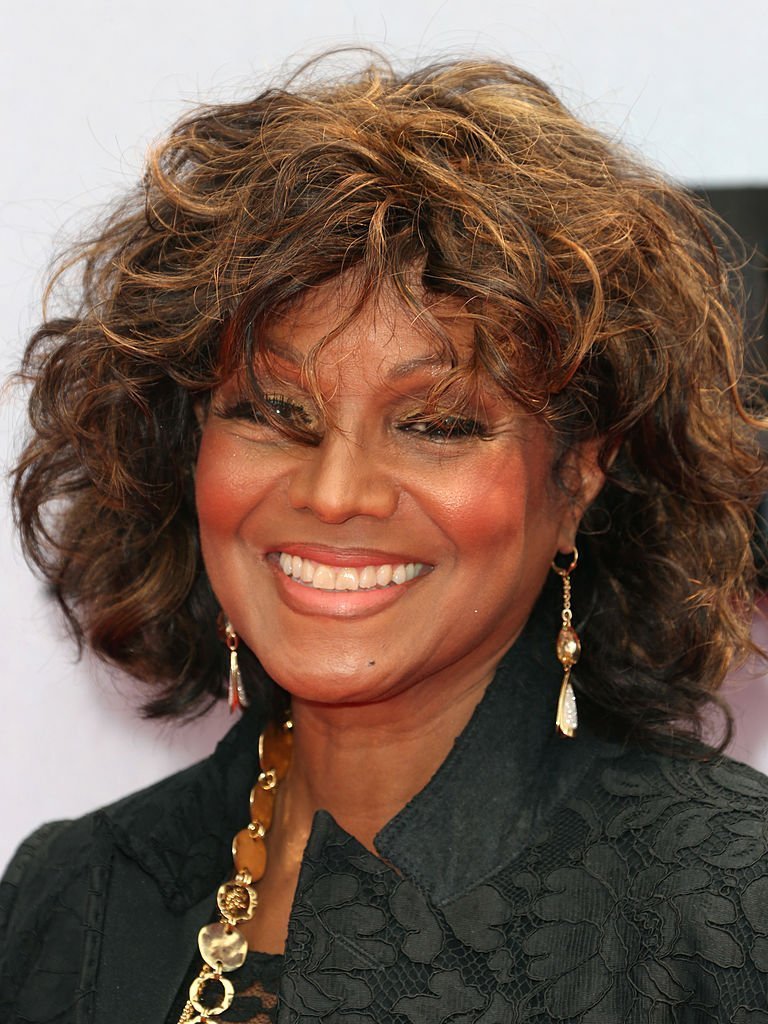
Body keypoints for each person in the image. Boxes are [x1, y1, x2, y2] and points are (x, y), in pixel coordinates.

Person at [3, 52, 768, 1023]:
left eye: (438, 424)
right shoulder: (70, 896)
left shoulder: (729, 910)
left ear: (577, 475)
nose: (334, 494)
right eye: (274, 413)